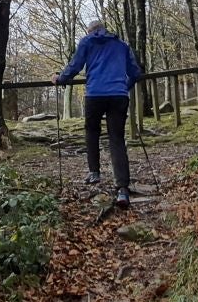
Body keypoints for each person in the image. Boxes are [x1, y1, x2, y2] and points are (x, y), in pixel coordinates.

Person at [52, 20, 142, 209]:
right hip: (118, 96)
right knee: (116, 138)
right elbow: (135, 72)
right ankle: (122, 189)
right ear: (104, 29)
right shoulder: (121, 45)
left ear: (91, 31)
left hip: (95, 94)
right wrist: (124, 86)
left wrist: (60, 78)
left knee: (92, 131)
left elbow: (75, 66)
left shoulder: (87, 42)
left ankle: (94, 172)